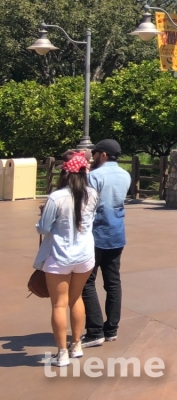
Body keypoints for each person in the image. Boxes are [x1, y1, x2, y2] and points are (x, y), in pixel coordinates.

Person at [35, 150, 99, 367]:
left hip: (60, 256)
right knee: (76, 298)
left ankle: (62, 353)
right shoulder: (92, 194)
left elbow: (43, 228)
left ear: (65, 173)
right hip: (85, 255)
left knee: (59, 305)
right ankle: (76, 344)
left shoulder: (56, 197)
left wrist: (43, 217)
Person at [82, 139, 131, 348]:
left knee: (87, 282)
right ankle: (111, 329)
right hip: (117, 233)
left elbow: (88, 207)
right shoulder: (125, 175)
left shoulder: (93, 176)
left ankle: (95, 331)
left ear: (103, 154)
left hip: (96, 234)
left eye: (95, 154)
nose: (93, 157)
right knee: (113, 282)